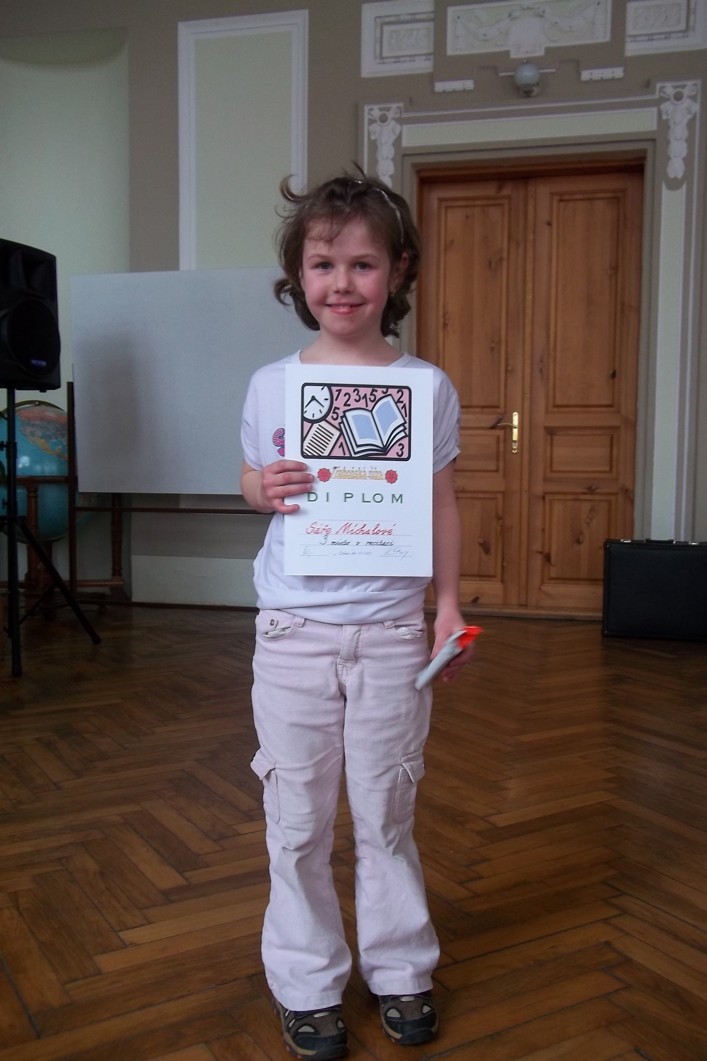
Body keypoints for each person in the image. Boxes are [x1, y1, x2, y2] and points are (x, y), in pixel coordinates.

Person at [240, 172, 473, 1060]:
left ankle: (401, 967)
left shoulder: (426, 387)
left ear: (397, 270)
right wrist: (261, 486)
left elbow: (441, 503)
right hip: (292, 632)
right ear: (298, 276)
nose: (342, 282)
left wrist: (445, 607)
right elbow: (252, 479)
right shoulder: (271, 384)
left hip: (391, 634)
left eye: (363, 263)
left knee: (385, 811)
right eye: (323, 263)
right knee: (296, 820)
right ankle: (306, 981)